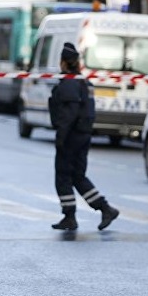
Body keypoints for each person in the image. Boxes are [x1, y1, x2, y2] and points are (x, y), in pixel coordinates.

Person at [49, 42, 119, 232]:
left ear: (64, 62)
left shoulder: (70, 83)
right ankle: (105, 209)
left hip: (71, 136)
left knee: (63, 176)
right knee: (78, 177)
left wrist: (61, 137)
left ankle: (70, 216)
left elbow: (68, 114)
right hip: (83, 135)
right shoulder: (83, 82)